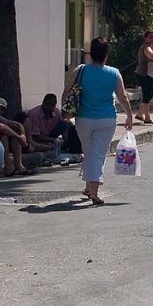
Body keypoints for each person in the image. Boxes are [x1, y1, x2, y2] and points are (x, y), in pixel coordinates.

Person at [62, 37, 133, 206]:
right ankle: (94, 191)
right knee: (98, 153)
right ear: (106, 54)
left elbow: (66, 92)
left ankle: (89, 187)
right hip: (106, 119)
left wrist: (67, 110)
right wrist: (129, 115)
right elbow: (122, 97)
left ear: (90, 53)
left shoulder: (80, 70)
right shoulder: (114, 73)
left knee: (89, 151)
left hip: (83, 119)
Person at [0, 97, 36, 176]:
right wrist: (18, 137)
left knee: (14, 137)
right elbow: (0, 127)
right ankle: (8, 167)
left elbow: (17, 124)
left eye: (2, 109)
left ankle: (19, 166)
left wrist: (22, 135)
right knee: (5, 137)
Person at [24, 93, 73, 158]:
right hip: (36, 137)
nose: (49, 107)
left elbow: (65, 122)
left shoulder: (56, 112)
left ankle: (66, 145)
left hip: (49, 134)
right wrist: (53, 140)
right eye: (47, 104)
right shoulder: (35, 114)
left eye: (52, 105)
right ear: (43, 103)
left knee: (65, 125)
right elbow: (35, 135)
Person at [134, 30, 153, 125]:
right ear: (145, 38)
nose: (152, 39)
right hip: (143, 73)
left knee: (148, 94)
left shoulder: (149, 46)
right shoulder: (146, 47)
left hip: (147, 73)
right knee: (148, 94)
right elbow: (150, 53)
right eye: (150, 37)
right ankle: (147, 117)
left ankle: (140, 114)